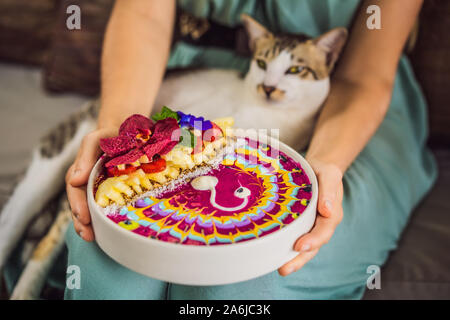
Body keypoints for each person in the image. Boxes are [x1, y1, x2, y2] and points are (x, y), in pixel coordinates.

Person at [65, 0, 436, 299]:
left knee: (240, 279)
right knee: (108, 259)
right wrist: (122, 130)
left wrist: (325, 163)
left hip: (346, 105)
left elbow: (363, 75)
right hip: (195, 72)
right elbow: (144, 11)